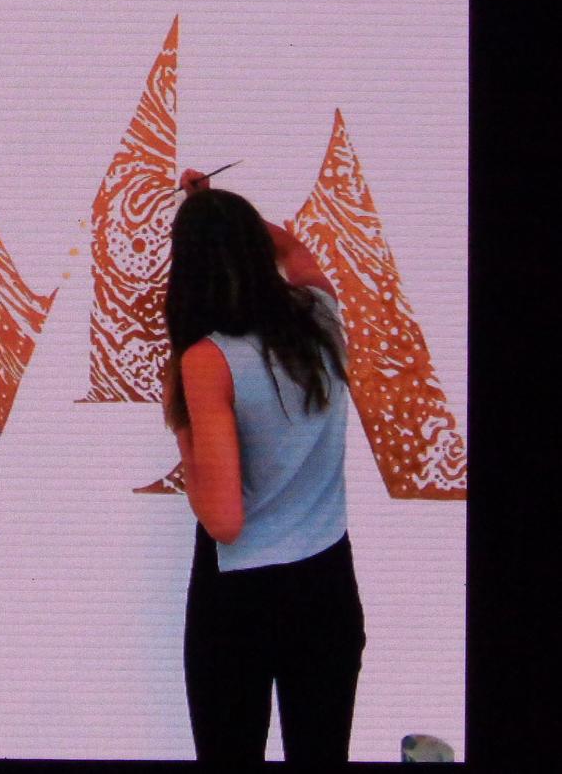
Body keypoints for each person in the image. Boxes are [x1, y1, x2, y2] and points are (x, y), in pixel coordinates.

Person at [164, 168, 365, 765]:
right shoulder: (321, 316)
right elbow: (295, 250)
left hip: (242, 598)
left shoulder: (207, 360)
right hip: (327, 582)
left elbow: (225, 520)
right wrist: (222, 212)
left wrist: (181, 424)